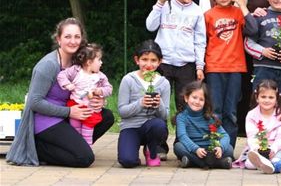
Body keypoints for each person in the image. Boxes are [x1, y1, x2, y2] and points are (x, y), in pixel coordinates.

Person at [6, 18, 114, 167]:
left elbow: (87, 88)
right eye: (67, 37)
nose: (73, 41)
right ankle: (38, 148)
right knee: (84, 158)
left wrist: (99, 100)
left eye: (77, 36)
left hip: (68, 113)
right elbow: (34, 102)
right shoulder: (48, 65)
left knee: (106, 116)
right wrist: (69, 112)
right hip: (46, 119)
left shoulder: (79, 62)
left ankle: (70, 147)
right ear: (58, 39)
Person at [204, 0, 258, 148]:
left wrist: (242, 6)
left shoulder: (238, 13)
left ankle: (228, 149)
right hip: (214, 68)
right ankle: (214, 146)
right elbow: (202, 41)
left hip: (235, 68)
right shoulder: (208, 15)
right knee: (215, 111)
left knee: (231, 112)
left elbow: (253, 30)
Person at [146, 0, 206, 111]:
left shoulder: (197, 12)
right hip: (163, 63)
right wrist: (160, 3)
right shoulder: (165, 5)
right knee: (157, 101)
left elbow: (200, 41)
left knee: (184, 104)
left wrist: (199, 66)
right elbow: (150, 26)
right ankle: (157, 132)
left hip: (186, 65)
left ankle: (182, 133)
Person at [117, 40, 170, 168]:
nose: (148, 64)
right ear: (137, 60)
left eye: (153, 60)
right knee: (127, 161)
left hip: (151, 126)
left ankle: (151, 151)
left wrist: (159, 104)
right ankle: (132, 149)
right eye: (144, 59)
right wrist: (140, 103)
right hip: (130, 127)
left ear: (159, 62)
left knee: (159, 125)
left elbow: (165, 115)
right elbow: (122, 111)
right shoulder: (128, 80)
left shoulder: (163, 83)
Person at [57, 43, 113, 147]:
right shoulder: (76, 70)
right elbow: (61, 75)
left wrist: (100, 91)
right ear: (89, 62)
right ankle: (76, 147)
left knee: (88, 130)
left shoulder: (100, 76)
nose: (101, 62)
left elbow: (109, 88)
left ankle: (86, 149)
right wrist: (67, 84)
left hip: (90, 109)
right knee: (75, 129)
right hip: (75, 105)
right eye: (99, 60)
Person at [174, 81, 233, 169]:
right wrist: (196, 149)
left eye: (201, 99)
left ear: (205, 102)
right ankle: (217, 163)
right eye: (194, 97)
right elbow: (182, 136)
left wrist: (220, 147)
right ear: (186, 98)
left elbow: (224, 135)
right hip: (193, 150)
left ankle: (192, 162)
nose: (197, 102)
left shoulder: (209, 117)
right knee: (178, 147)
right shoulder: (182, 117)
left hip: (210, 150)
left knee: (229, 149)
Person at [233, 79, 281, 172]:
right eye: (263, 97)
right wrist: (257, 149)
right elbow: (252, 137)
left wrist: (273, 149)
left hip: (275, 149)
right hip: (257, 149)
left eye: (271, 97)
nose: (267, 100)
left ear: (276, 99)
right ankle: (266, 164)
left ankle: (269, 165)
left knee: (278, 160)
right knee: (250, 164)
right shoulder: (251, 115)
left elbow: (280, 138)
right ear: (257, 97)